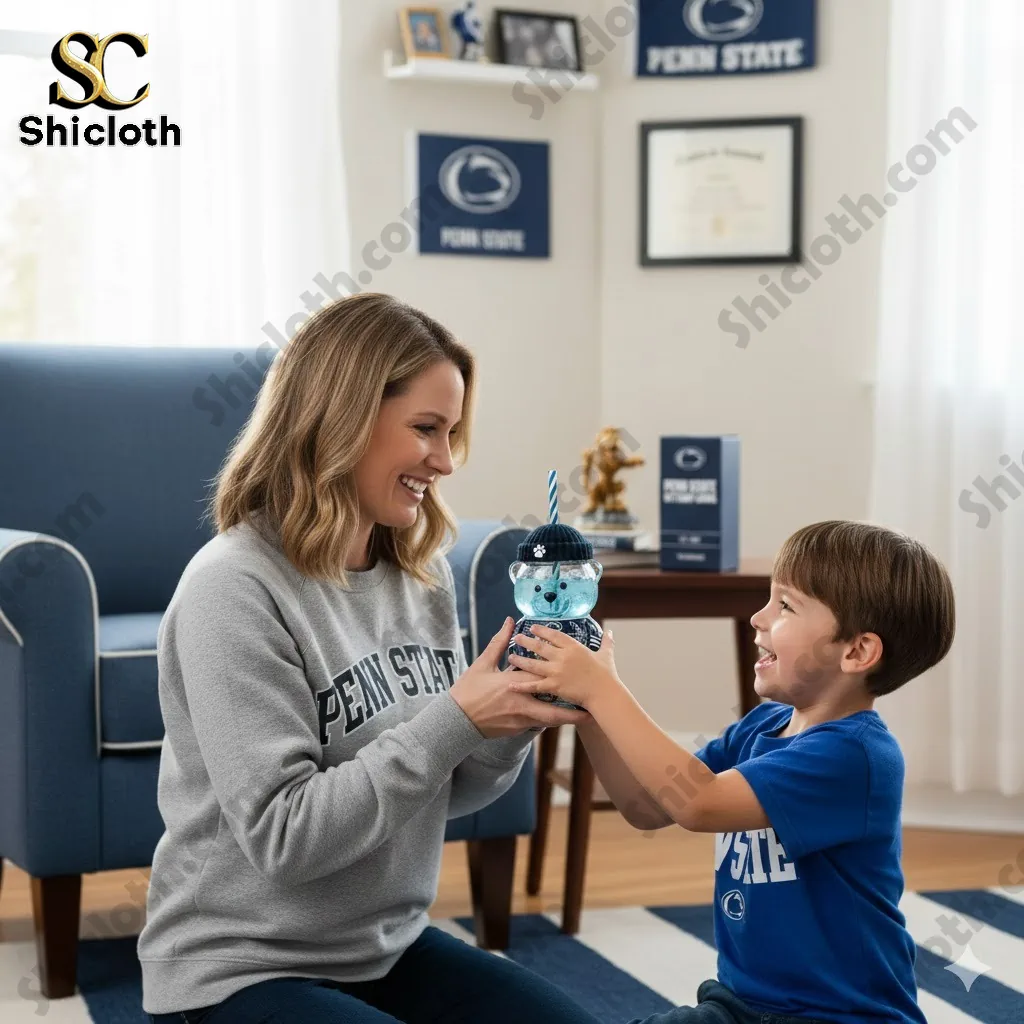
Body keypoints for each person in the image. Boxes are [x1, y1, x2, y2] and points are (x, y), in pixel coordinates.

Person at [138, 293, 601, 1024]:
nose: (445, 461)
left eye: (451, 434)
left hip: (384, 948)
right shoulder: (232, 587)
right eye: (426, 429)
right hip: (241, 967)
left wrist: (512, 717)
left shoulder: (419, 578)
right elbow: (285, 840)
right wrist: (456, 716)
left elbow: (442, 793)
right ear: (343, 417)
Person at [507, 520, 956, 1024]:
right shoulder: (762, 726)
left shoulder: (857, 757)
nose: (757, 618)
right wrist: (586, 709)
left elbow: (698, 804)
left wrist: (603, 691)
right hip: (743, 1006)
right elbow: (646, 806)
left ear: (856, 651)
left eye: (785, 606)